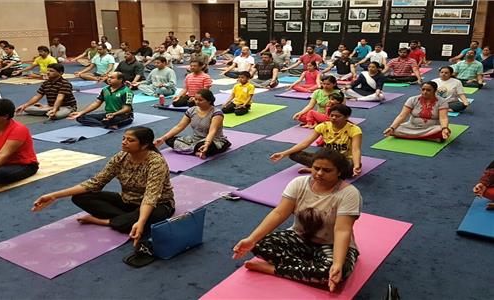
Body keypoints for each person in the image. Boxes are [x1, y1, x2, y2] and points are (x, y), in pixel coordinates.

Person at [32, 126, 175, 255]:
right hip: (128, 200)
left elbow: (151, 196)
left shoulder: (156, 163)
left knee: (143, 219)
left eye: (130, 140)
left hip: (159, 204)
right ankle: (126, 220)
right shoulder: (121, 157)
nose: (124, 142)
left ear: (144, 145)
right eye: (124, 138)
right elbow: (96, 182)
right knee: (80, 197)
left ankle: (104, 221)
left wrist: (141, 221)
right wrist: (54, 196)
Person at [234, 148, 361, 291]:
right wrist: (251, 239)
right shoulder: (299, 183)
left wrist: (337, 263)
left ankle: (274, 269)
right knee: (259, 244)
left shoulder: (349, 194)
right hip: (300, 239)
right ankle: (310, 268)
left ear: (339, 172)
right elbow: (279, 213)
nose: (319, 173)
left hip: (331, 244)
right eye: (316, 168)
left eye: (327, 170)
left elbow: (342, 230)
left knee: (337, 272)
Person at [271, 104, 362, 176]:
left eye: (338, 116)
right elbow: (306, 143)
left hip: (343, 159)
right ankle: (324, 170)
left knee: (350, 169)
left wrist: (357, 165)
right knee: (293, 154)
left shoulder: (354, 129)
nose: (334, 118)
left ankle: (316, 169)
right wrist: (283, 153)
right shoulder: (323, 126)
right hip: (325, 158)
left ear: (346, 117)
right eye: (332, 115)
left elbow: (355, 149)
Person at [155, 89, 231, 158]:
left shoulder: (216, 113)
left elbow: (212, 131)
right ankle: (196, 151)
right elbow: (179, 126)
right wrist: (162, 138)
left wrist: (207, 144)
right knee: (169, 140)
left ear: (209, 101)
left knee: (202, 146)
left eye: (200, 100)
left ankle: (195, 149)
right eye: (196, 99)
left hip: (213, 140)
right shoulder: (191, 110)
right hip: (195, 139)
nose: (197, 102)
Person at [383, 81, 450, 142]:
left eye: (428, 90)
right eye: (423, 89)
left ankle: (415, 136)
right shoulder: (412, 99)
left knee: (440, 130)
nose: (425, 92)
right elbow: (402, 116)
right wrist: (392, 128)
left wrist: (444, 128)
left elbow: (443, 118)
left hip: (431, 127)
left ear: (435, 91)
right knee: (395, 130)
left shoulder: (442, 101)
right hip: (412, 126)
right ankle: (427, 137)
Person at [0, 98, 39, 185]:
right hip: (1, 162)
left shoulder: (18, 129)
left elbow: (3, 155)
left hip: (23, 165)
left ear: (5, 116)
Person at [68, 72, 134, 129]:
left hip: (123, 115)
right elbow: (97, 103)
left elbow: (127, 109)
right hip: (108, 114)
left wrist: (114, 114)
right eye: (108, 77)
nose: (109, 79)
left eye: (112, 78)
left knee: (111, 120)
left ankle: (107, 123)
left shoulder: (126, 91)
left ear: (120, 79)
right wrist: (81, 112)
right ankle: (105, 123)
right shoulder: (105, 89)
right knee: (80, 117)